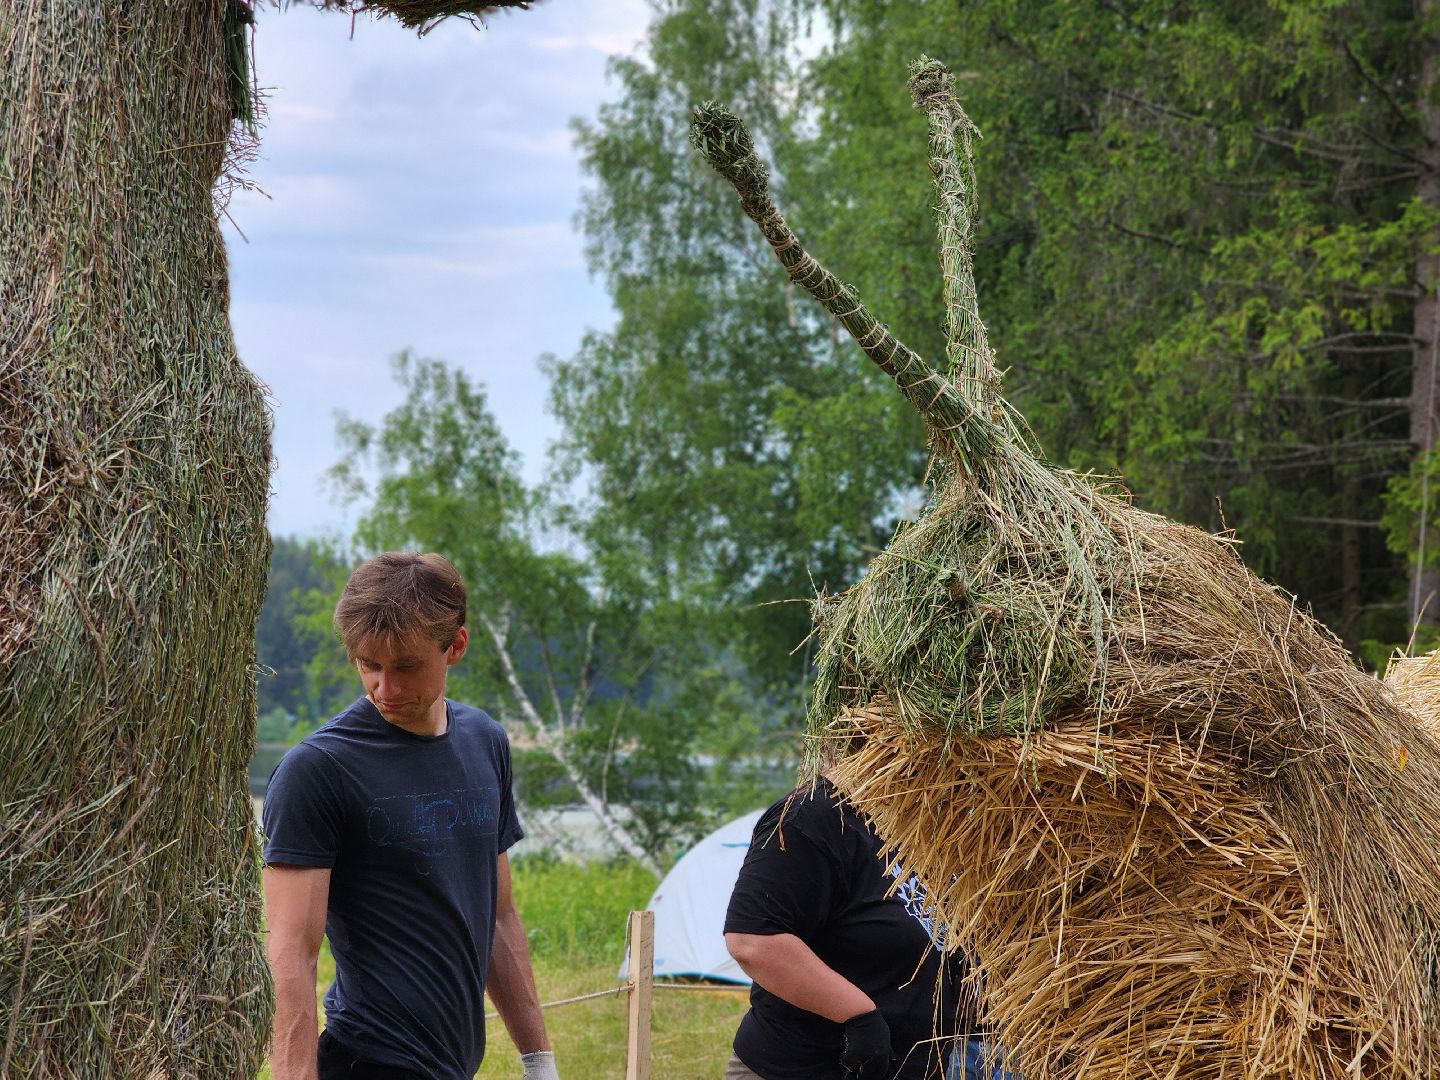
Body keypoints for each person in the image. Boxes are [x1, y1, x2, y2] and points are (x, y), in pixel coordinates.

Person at [262, 551, 559, 1080]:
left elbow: (497, 915)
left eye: (405, 666)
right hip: (369, 1061)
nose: (384, 688)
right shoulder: (319, 769)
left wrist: (539, 1062)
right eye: (368, 665)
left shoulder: (484, 742)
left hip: (457, 1064)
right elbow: (290, 951)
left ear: (456, 646)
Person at [722, 776, 1010, 1080]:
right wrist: (859, 1016)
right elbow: (753, 942)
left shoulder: (917, 825)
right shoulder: (814, 816)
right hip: (805, 1068)